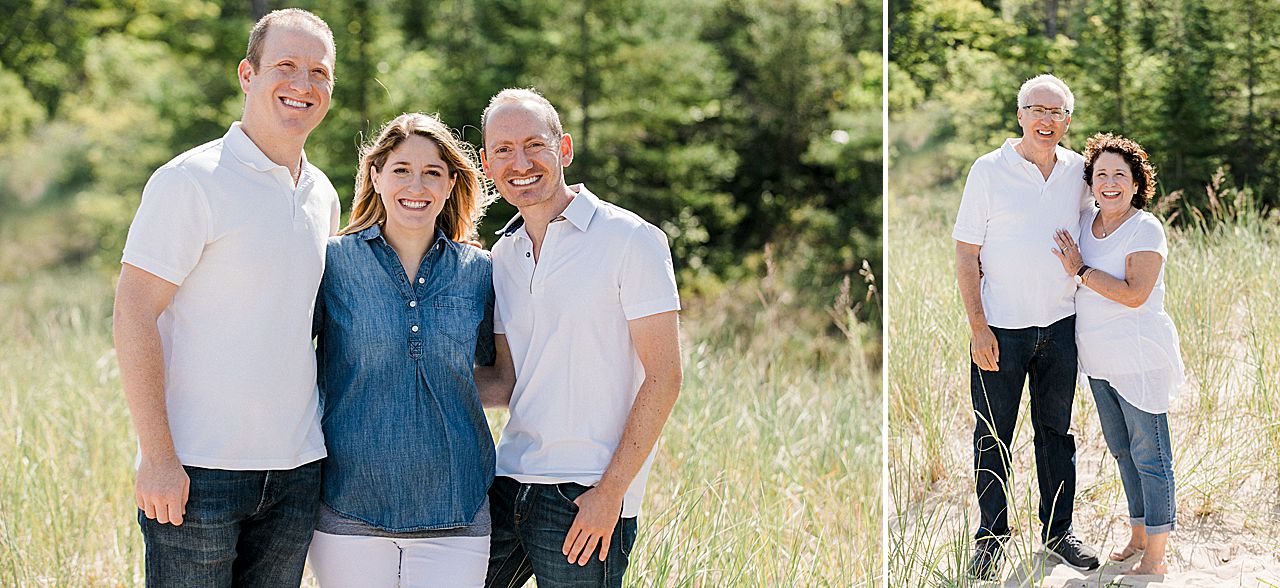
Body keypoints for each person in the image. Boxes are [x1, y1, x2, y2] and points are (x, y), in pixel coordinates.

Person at [112, 9, 338, 586]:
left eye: (319, 72)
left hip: (296, 470)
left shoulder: (322, 194)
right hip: (198, 470)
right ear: (247, 74)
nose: (303, 84)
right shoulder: (190, 181)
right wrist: (158, 457)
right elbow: (134, 312)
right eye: (285, 66)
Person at [477, 88, 684, 588]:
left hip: (585, 495)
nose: (519, 162)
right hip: (509, 484)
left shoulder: (631, 240)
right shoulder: (503, 255)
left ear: (564, 149)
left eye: (534, 145)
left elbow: (665, 377)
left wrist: (612, 492)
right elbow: (506, 381)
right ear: (486, 165)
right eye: (503, 150)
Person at [306, 113, 502, 587]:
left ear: (452, 182)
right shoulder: (332, 262)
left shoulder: (480, 272)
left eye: (433, 172)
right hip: (348, 505)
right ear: (375, 176)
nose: (417, 185)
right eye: (401, 170)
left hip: (456, 505)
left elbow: (502, 379)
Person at [952, 73, 1100, 579]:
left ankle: (1059, 534)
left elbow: (1098, 228)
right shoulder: (988, 171)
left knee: (1055, 433)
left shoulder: (1080, 172)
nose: (1047, 120)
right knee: (993, 435)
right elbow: (966, 252)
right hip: (1002, 329)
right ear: (1020, 115)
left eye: (1057, 113)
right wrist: (978, 326)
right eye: (1038, 110)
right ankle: (991, 539)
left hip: (1060, 326)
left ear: (1067, 121)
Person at [1051, 133, 1183, 576]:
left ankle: (1157, 557)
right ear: (1090, 181)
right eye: (1101, 174)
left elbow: (1135, 295)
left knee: (1152, 455)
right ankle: (1139, 534)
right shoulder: (1087, 222)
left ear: (1136, 183)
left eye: (1120, 175)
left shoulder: (1144, 228)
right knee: (1123, 452)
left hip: (1139, 358)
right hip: (1099, 361)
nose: (1109, 182)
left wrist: (1081, 271)